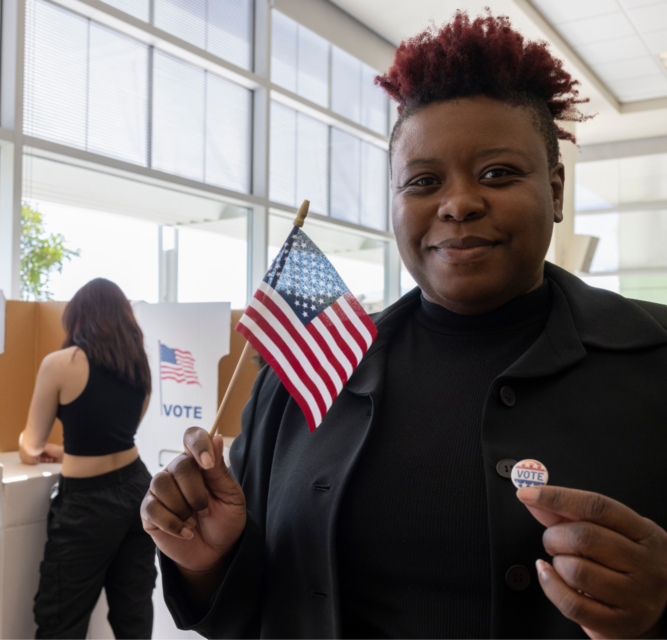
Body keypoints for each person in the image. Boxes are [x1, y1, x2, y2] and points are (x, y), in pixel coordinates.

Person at [141, 12, 667, 639]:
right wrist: (211, 561)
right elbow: (255, 606)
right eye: (422, 182)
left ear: (555, 190)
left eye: (498, 173)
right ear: (394, 205)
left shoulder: (655, 360)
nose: (459, 202)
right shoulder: (305, 378)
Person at [20, 278, 157, 639]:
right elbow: (116, 440)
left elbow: (30, 447)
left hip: (86, 505)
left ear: (77, 317)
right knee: (134, 616)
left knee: (60, 618)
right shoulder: (139, 367)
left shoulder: (60, 363)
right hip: (137, 493)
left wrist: (36, 446)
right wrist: (68, 450)